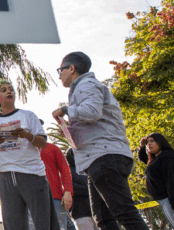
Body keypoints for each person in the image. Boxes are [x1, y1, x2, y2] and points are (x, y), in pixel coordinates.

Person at [52, 52, 148, 230]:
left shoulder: (86, 85)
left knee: (124, 213)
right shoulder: (82, 89)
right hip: (96, 159)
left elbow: (92, 111)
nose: (60, 75)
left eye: (61, 70)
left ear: (71, 68)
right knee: (103, 218)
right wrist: (67, 129)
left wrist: (66, 109)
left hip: (104, 156)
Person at [0, 79, 59, 230]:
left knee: (43, 222)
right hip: (6, 177)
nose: (9, 92)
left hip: (31, 174)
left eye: (11, 89)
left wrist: (27, 136)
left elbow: (43, 143)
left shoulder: (28, 116)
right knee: (13, 224)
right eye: (4, 90)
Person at [138, 133, 174, 230]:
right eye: (148, 143)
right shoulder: (157, 159)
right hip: (168, 200)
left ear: (160, 142)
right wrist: (142, 147)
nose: (149, 144)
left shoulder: (167, 157)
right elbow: (144, 159)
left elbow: (171, 179)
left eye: (152, 141)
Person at [38, 120, 76, 230]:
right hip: (33, 199)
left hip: (56, 198)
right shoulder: (25, 152)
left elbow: (65, 170)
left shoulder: (53, 149)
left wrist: (68, 191)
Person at [65, 148, 97, 230]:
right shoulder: (67, 172)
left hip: (96, 211)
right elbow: (73, 189)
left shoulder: (87, 169)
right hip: (80, 213)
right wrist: (90, 189)